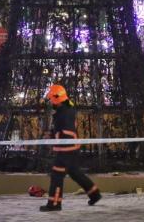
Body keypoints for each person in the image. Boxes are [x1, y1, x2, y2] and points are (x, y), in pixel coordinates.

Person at [39, 84, 101, 212]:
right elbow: (64, 129)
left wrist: (53, 135)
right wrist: (52, 133)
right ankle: (94, 194)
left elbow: (65, 132)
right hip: (71, 147)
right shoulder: (68, 107)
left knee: (56, 175)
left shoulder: (63, 112)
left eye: (51, 99)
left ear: (56, 99)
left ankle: (54, 204)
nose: (50, 101)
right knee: (74, 172)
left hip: (65, 149)